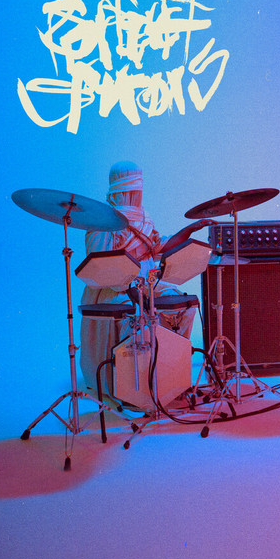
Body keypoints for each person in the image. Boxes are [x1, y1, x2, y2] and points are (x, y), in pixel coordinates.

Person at [79, 161, 211, 396]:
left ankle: (168, 373)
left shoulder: (144, 217)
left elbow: (157, 247)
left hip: (147, 283)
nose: (136, 193)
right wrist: (127, 284)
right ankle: (131, 386)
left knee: (184, 306)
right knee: (134, 316)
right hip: (113, 288)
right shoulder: (102, 220)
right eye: (132, 188)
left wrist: (188, 231)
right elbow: (99, 266)